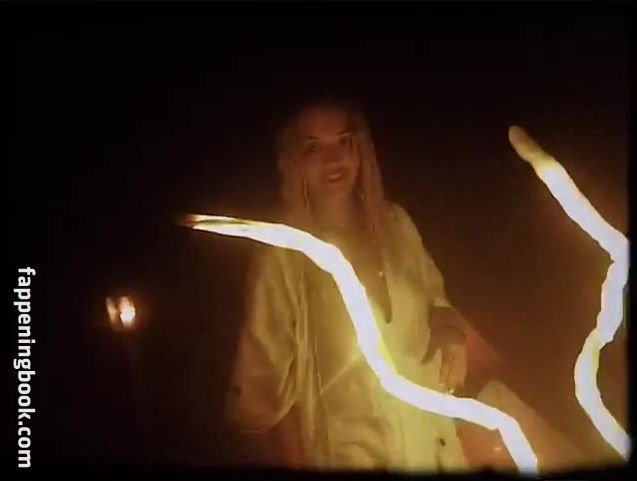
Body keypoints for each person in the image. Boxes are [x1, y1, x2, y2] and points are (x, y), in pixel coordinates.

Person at [223, 96, 586, 473]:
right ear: (292, 159)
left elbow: (435, 301)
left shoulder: (396, 226)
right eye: (314, 147)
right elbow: (261, 398)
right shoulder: (284, 254)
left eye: (344, 141)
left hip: (433, 448)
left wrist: (450, 333)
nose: (334, 159)